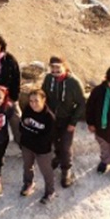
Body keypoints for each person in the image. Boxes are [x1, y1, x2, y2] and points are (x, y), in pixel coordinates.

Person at [41, 55, 85, 188]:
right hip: (52, 118)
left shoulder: (73, 83)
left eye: (57, 67)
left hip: (67, 120)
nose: (55, 70)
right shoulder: (49, 79)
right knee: (54, 141)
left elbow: (81, 103)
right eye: (52, 67)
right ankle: (58, 157)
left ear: (64, 67)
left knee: (66, 145)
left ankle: (66, 169)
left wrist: (73, 122)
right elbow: (43, 96)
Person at [17, 88, 57, 204]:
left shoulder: (49, 117)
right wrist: (32, 134)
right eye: (31, 101)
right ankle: (28, 184)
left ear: (44, 100)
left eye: (36, 101)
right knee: (27, 166)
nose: (33, 104)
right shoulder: (27, 110)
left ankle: (50, 191)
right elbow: (21, 126)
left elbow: (48, 137)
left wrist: (30, 133)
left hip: (42, 150)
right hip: (27, 146)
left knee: (46, 171)